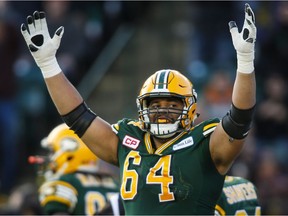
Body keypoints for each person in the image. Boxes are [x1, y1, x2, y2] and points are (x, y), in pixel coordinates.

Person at [20, 3, 257, 214]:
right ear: (142, 107)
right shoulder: (128, 140)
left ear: (191, 109)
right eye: (155, 104)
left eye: (172, 105)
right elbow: (78, 117)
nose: (162, 111)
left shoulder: (204, 144)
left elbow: (239, 119)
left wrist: (245, 61)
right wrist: (48, 65)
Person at [29, 123, 119, 215]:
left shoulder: (65, 182)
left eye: (52, 152)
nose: (49, 157)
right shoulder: (116, 185)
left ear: (69, 152)